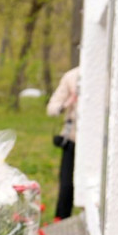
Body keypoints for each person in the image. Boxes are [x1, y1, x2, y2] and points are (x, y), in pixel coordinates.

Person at [48, 66, 80, 219]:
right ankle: (60, 220)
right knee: (67, 185)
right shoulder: (71, 76)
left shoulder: (106, 72)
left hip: (97, 143)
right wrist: (68, 103)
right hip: (72, 139)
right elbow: (52, 108)